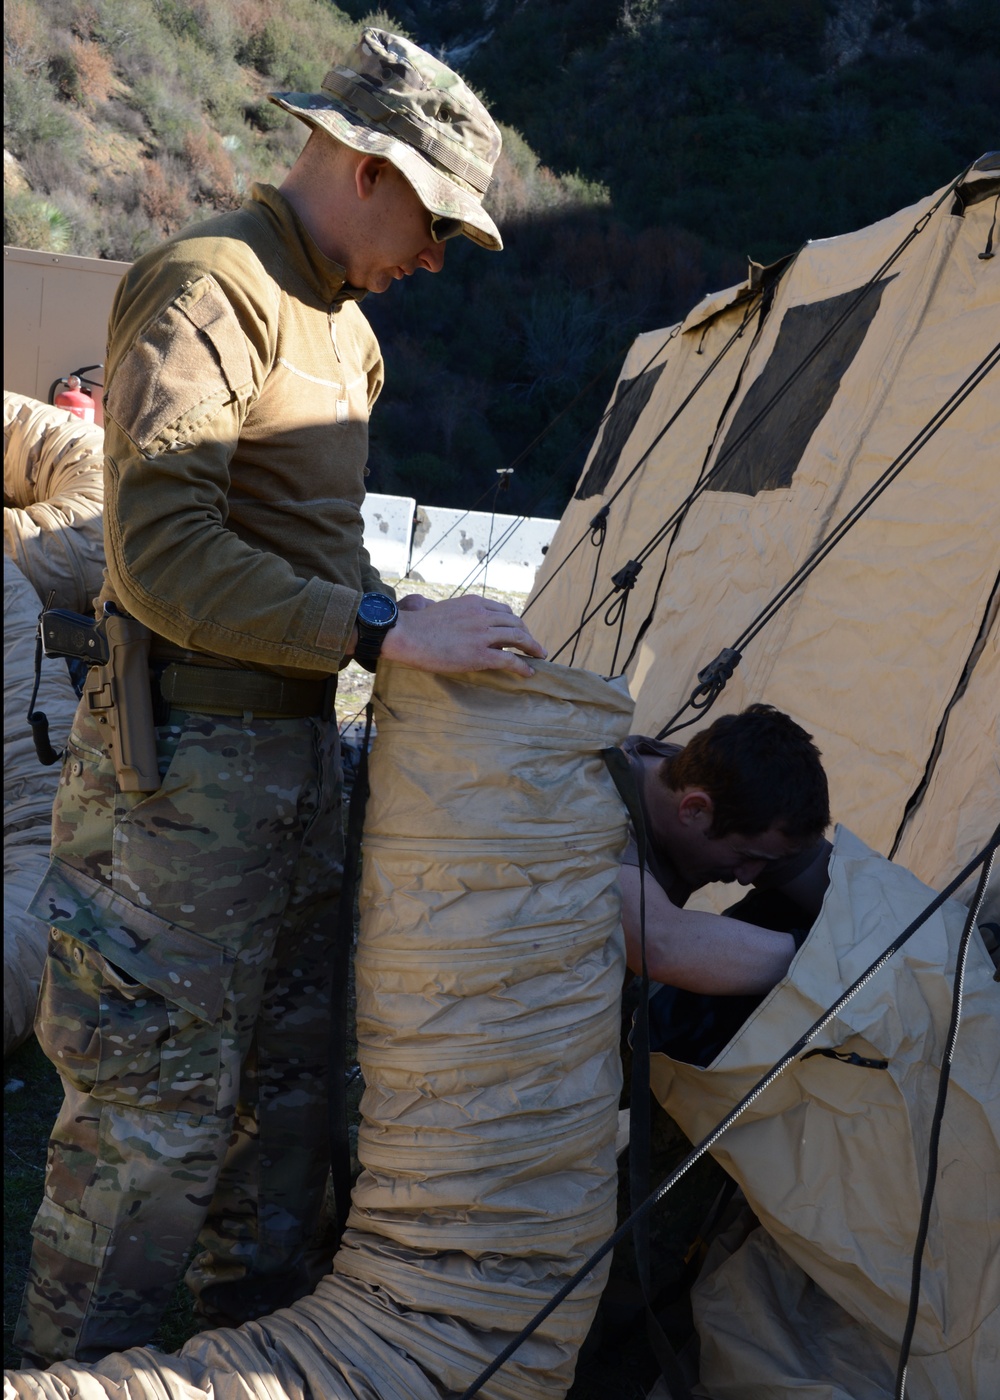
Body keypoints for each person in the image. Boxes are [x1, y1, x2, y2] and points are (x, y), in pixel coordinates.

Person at [15, 29, 545, 1367]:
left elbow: (316, 545)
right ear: (368, 169)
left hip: (291, 776)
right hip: (178, 784)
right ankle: (79, 1379)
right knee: (145, 1143)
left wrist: (398, 625)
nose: (434, 258)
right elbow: (167, 554)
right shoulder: (210, 291)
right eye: (433, 221)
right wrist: (380, 630)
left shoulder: (344, 338)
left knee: (284, 1122)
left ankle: (252, 1370)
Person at [618, 705, 832, 1066]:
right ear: (694, 809)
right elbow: (658, 944)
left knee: (798, 910)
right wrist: (832, 964)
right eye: (744, 855)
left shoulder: (726, 790)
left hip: (598, 997)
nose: (748, 876)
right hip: (514, 1033)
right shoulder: (591, 811)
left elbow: (846, 890)